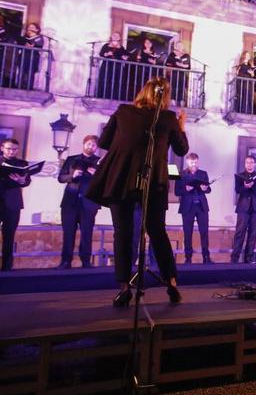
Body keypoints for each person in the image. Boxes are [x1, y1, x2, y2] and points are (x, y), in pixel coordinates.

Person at [86, 76, 187, 306]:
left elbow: (103, 142)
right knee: (157, 231)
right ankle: (171, 284)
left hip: (121, 179)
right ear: (165, 96)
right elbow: (182, 150)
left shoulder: (123, 111)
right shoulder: (169, 118)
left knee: (123, 232)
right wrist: (181, 127)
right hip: (153, 181)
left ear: (144, 92)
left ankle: (124, 288)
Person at [57, 135, 101, 269]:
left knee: (87, 233)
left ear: (96, 147)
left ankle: (86, 261)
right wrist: (72, 176)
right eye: (88, 144)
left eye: (94, 145)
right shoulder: (71, 159)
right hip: (70, 201)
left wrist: (96, 176)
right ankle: (66, 261)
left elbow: (106, 183)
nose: (91, 147)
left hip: (89, 202)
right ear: (84, 144)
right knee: (68, 232)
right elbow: (61, 178)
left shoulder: (100, 162)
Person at [174, 153, 212, 264]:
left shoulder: (203, 173)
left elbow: (209, 190)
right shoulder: (181, 174)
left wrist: (205, 188)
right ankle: (188, 258)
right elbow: (177, 192)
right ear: (187, 162)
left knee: (204, 232)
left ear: (198, 162)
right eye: (192, 163)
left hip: (201, 207)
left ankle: (206, 257)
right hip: (187, 207)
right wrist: (186, 189)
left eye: (196, 162)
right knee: (187, 233)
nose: (194, 165)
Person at [0, 139, 32, 272]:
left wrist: (22, 180)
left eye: (14, 149)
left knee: (9, 236)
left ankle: (7, 267)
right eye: (9, 149)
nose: (12, 151)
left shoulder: (22, 164)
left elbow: (27, 181)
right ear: (2, 148)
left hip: (13, 203)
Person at [231, 155, 256, 264]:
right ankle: (234, 257)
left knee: (253, 234)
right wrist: (246, 187)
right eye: (247, 162)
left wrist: (253, 186)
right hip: (243, 208)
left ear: (255, 164)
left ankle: (249, 257)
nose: (249, 164)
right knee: (240, 233)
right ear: (245, 164)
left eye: (251, 162)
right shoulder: (239, 176)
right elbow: (237, 190)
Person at [96, 32, 128, 100]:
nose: (116, 37)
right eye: (114, 35)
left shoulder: (121, 47)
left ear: (119, 38)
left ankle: (114, 97)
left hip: (117, 67)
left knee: (116, 81)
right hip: (107, 66)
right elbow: (101, 54)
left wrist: (124, 58)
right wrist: (107, 54)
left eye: (117, 36)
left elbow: (125, 56)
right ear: (111, 36)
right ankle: (103, 97)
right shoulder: (106, 45)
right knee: (105, 80)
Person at [18, 22, 44, 90]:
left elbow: (39, 45)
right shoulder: (24, 37)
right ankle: (19, 86)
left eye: (32, 28)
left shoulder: (39, 38)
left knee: (30, 73)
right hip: (24, 56)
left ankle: (28, 88)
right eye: (29, 27)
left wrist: (33, 45)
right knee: (21, 72)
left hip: (33, 58)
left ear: (37, 30)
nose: (30, 29)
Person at [165, 41, 191, 106]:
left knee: (181, 87)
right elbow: (167, 63)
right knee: (173, 86)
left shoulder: (186, 55)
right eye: (178, 46)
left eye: (181, 46)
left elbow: (187, 66)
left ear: (183, 47)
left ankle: (181, 100)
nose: (179, 47)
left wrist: (180, 64)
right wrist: (178, 64)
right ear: (175, 47)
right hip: (174, 73)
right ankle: (172, 100)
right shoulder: (172, 54)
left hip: (182, 74)